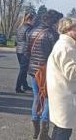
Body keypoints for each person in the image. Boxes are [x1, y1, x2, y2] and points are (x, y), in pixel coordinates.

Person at [27, 9, 63, 140]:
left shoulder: (32, 31)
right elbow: (56, 55)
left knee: (37, 97)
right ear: (53, 21)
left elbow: (27, 52)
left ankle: (36, 130)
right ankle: (43, 132)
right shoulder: (52, 34)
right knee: (48, 99)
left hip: (33, 70)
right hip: (46, 71)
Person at [15, 12, 35, 93]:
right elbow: (29, 40)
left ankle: (25, 85)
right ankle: (18, 87)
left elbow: (17, 39)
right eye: (33, 20)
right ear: (30, 20)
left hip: (19, 50)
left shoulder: (20, 27)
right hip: (25, 51)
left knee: (23, 69)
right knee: (23, 70)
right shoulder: (29, 28)